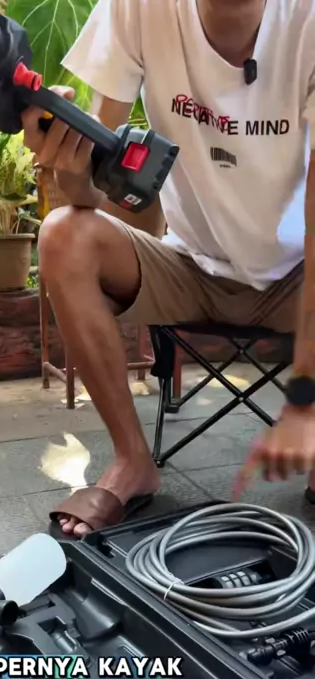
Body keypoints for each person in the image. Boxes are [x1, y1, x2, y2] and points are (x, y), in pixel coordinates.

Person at [22, 0, 315, 539]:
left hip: (297, 279)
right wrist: (67, 165)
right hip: (188, 267)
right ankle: (132, 460)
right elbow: (90, 196)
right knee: (63, 235)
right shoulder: (139, 8)